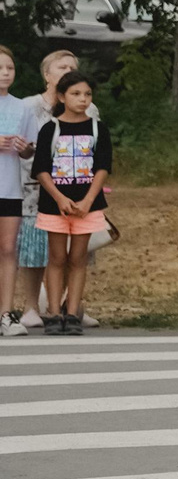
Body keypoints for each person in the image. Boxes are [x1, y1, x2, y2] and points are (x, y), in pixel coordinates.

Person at [32, 69, 111, 335]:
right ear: (62, 96)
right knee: (56, 257)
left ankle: (72, 313)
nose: (83, 99)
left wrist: (89, 200)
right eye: (76, 94)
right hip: (56, 204)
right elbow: (41, 169)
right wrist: (60, 198)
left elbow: (103, 167)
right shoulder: (50, 129)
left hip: (87, 205)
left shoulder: (98, 129)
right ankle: (53, 313)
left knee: (78, 259)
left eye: (87, 94)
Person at [20, 50, 87, 327]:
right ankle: (31, 307)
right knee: (36, 250)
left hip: (76, 190)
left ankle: (71, 306)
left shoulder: (88, 107)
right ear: (47, 76)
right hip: (34, 187)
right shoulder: (28, 107)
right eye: (62, 67)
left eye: (72, 66)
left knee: (77, 252)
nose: (68, 70)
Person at [0, 47, 33, 336]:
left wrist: (25, 149)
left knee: (8, 249)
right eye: (0, 68)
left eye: (9, 68)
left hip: (10, 189)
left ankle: (6, 314)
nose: (5, 73)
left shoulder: (22, 107)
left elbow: (30, 148)